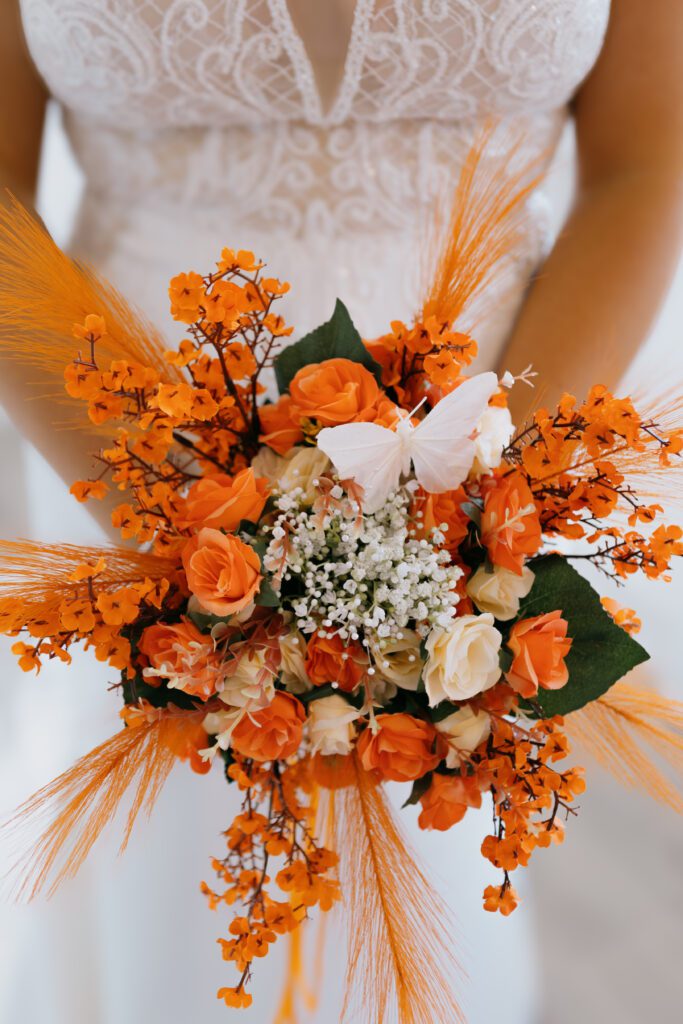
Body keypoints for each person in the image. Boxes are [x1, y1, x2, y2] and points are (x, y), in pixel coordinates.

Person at [0, 2, 681, 1022]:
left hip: (483, 479)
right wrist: (198, 560)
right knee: (155, 892)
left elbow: (642, 158)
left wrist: (474, 530)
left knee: (433, 890)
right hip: (118, 463)